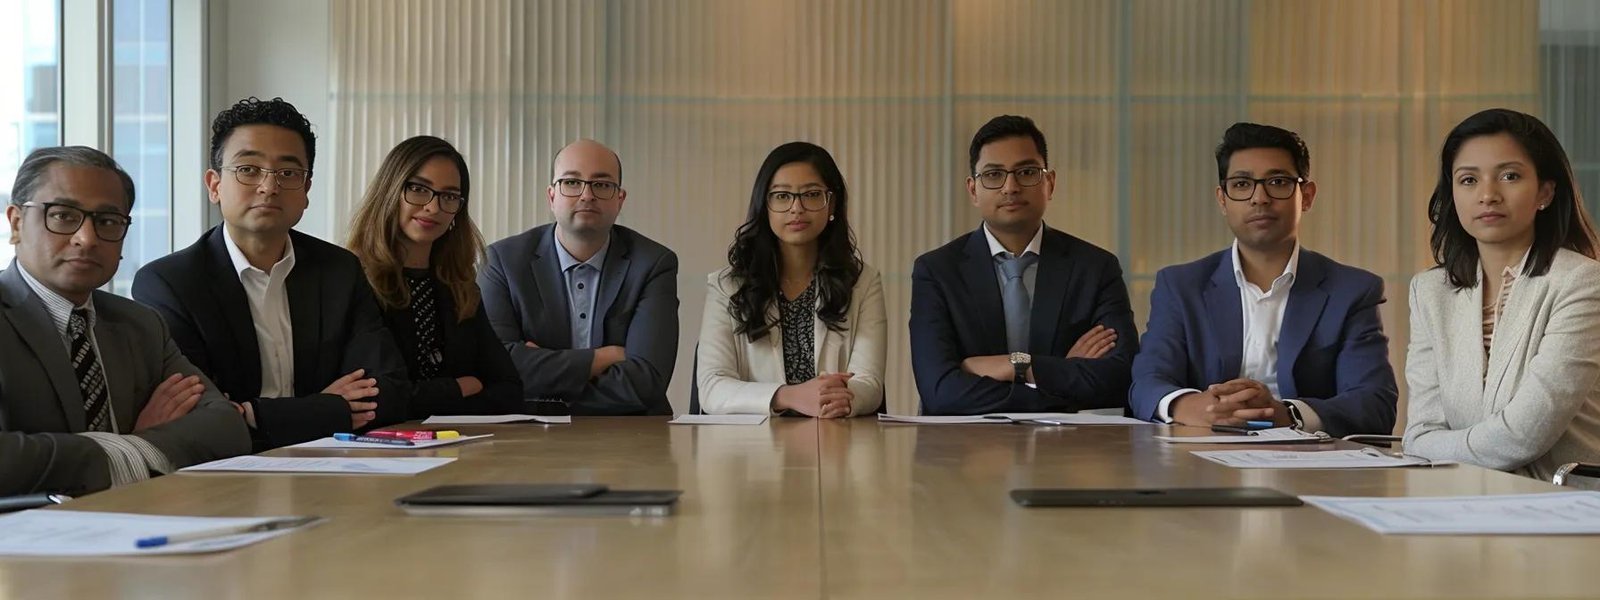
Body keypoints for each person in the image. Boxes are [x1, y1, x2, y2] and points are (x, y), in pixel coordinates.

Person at [133, 97, 410, 450]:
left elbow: (390, 390)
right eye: (249, 169)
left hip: (336, 462)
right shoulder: (170, 283)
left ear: (306, 190)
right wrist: (327, 408)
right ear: (214, 185)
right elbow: (202, 417)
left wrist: (254, 413)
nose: (269, 186)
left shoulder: (339, 270)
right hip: (226, 473)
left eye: (288, 173)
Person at [1, 146, 249, 495]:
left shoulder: (140, 324)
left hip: (139, 524)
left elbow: (226, 430)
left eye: (107, 221)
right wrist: (128, 446)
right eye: (62, 215)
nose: (86, 239)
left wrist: (128, 446)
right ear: (16, 223)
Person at [1128, 123, 1398, 436]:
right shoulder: (1181, 285)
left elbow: (1374, 402)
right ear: (1222, 199)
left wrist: (1285, 414)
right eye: (1242, 184)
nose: (1260, 198)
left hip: (1307, 462)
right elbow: (1146, 383)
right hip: (1200, 456)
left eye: (1278, 182)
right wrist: (1193, 407)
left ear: (1306, 196)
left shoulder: (1350, 291)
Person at [1404, 108, 1600, 480]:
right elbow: (1418, 432)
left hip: (1562, 504)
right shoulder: (1429, 292)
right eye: (1468, 180)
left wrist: (1432, 449)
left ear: (1545, 191)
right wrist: (1424, 446)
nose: (1488, 195)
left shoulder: (1582, 282)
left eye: (1509, 176)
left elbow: (1522, 438)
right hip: (1461, 497)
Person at [910, 115, 1138, 415]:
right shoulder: (936, 271)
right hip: (964, 451)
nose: (1010, 187)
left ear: (1050, 183)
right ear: (973, 190)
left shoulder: (1096, 268)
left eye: (1027, 172)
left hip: (1069, 452)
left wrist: (1019, 366)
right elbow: (940, 391)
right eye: (993, 175)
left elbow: (1120, 379)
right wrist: (1061, 375)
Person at [478, 139, 678, 415]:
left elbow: (646, 382)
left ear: (620, 200)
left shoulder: (653, 263)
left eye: (602, 184)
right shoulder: (502, 262)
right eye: (571, 182)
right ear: (551, 196)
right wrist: (602, 358)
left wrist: (541, 382)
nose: (587, 195)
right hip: (530, 435)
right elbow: (495, 369)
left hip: (630, 433)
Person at [696, 142, 886, 417]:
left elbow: (869, 383)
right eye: (782, 196)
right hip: (751, 452)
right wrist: (789, 396)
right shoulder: (727, 286)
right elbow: (712, 388)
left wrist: (841, 398)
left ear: (831, 203)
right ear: (765, 205)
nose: (796, 208)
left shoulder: (863, 282)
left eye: (811, 194)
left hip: (834, 442)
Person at [346, 135, 522, 418]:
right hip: (378, 453)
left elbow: (509, 392)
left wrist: (425, 399)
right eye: (418, 189)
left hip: (458, 447)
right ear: (390, 191)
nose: (433, 207)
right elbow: (381, 401)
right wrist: (460, 387)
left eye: (449, 196)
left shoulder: (460, 288)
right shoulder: (353, 279)